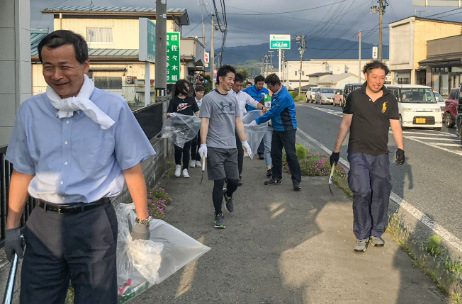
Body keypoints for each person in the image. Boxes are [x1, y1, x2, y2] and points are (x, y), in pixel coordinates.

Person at [4, 30, 155, 304]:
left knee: (96, 299)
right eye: (47, 67)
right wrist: (12, 227)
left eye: (65, 66)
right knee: (37, 298)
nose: (56, 75)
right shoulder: (30, 111)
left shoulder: (113, 106)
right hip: (43, 222)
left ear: (85, 66)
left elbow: (130, 167)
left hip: (94, 221)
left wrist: (142, 222)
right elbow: (22, 171)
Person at [329, 60, 405, 253]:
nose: (378, 81)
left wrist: (400, 148)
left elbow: (395, 124)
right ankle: (362, 234)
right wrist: (336, 150)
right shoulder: (355, 97)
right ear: (366, 76)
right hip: (358, 153)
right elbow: (345, 124)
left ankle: (376, 232)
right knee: (362, 191)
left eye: (382, 78)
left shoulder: (390, 98)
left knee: (380, 193)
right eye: (374, 77)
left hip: (380, 154)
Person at [199, 65, 252, 229]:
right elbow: (205, 121)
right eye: (229, 79)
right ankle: (218, 214)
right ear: (220, 79)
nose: (232, 82)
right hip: (214, 146)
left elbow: (238, 121)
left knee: (234, 181)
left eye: (233, 79)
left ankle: (228, 195)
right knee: (219, 181)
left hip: (231, 146)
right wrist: (203, 144)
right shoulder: (209, 99)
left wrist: (244, 141)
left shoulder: (232, 98)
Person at [249, 74, 301, 191]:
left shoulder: (283, 97)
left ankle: (296, 180)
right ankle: (276, 177)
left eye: (270, 86)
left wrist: (257, 121)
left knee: (290, 155)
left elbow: (272, 113)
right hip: (277, 128)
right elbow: (270, 107)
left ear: (277, 85)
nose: (269, 89)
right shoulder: (275, 95)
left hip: (287, 129)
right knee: (275, 153)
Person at [230, 73, 266, 185]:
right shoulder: (226, 94)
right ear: (232, 84)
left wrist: (263, 107)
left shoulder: (243, 95)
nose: (239, 88)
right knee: (229, 152)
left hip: (239, 127)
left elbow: (254, 103)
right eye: (237, 85)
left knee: (239, 152)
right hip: (226, 127)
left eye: (241, 85)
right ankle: (228, 175)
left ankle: (237, 176)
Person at [167, 79, 199, 178]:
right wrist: (173, 115)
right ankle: (178, 166)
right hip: (177, 128)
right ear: (180, 88)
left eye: (188, 86)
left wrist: (194, 118)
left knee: (186, 149)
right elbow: (168, 113)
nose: (188, 88)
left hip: (189, 127)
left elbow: (197, 112)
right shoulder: (174, 100)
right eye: (186, 86)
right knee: (178, 148)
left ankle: (185, 169)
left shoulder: (191, 100)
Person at [244, 75, 269, 159]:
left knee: (260, 132)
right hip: (249, 115)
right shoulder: (248, 91)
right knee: (248, 132)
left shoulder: (265, 91)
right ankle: (248, 150)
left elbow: (268, 103)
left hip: (260, 115)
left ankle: (260, 152)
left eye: (262, 84)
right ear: (255, 83)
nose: (261, 86)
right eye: (259, 84)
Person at [190, 85, 205, 168]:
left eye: (202, 93)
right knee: (194, 142)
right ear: (195, 92)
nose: (201, 94)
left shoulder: (204, 101)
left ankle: (198, 159)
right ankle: (192, 158)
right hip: (193, 123)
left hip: (201, 124)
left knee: (200, 142)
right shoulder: (192, 101)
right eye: (199, 92)